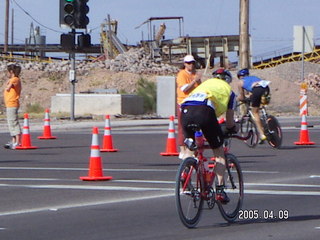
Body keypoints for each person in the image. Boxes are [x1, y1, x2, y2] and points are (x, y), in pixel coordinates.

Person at [180, 68, 237, 204]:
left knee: (191, 149)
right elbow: (229, 119)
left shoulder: (204, 85)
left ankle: (185, 173)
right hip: (204, 111)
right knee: (219, 153)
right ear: (228, 80)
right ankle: (219, 190)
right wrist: (232, 128)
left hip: (185, 111)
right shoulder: (229, 91)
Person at [176, 55, 202, 159]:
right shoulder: (182, 74)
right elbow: (184, 89)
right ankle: (182, 149)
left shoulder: (195, 75)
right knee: (183, 126)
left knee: (195, 126)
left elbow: (200, 88)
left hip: (194, 102)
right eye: (188, 63)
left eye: (192, 63)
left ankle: (192, 148)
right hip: (183, 102)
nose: (191, 65)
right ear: (185, 64)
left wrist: (198, 81)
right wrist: (194, 81)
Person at [236, 68, 270, 143]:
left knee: (255, 112)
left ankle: (262, 134)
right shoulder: (254, 77)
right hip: (266, 88)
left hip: (256, 90)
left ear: (239, 76)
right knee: (260, 104)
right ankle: (266, 118)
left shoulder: (240, 82)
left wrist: (239, 99)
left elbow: (242, 96)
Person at [3, 63, 22, 149]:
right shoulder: (14, 79)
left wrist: (8, 83)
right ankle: (14, 140)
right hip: (10, 104)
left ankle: (18, 141)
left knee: (13, 122)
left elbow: (8, 88)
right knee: (11, 123)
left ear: (11, 72)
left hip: (12, 103)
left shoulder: (15, 79)